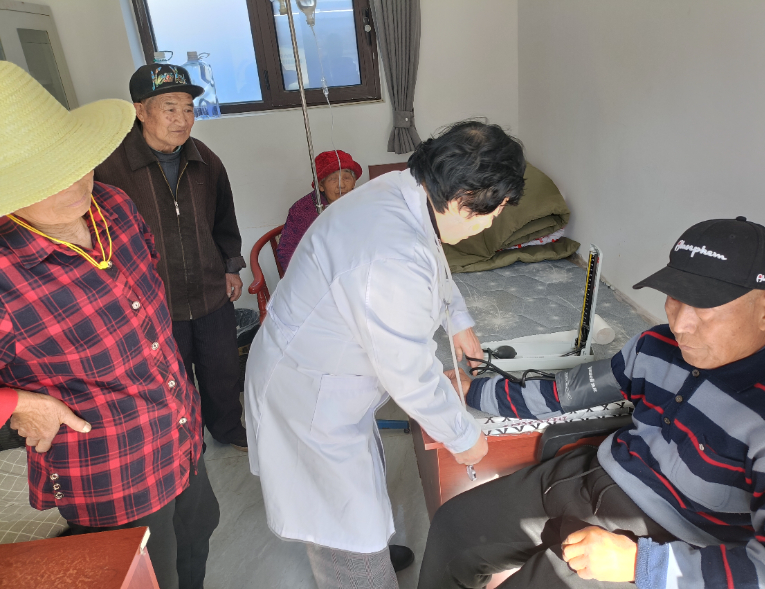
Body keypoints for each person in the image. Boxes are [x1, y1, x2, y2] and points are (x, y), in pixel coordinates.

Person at [418, 217, 765, 589]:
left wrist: (641, 563)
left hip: (674, 541)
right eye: (674, 298)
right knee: (454, 527)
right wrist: (475, 390)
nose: (680, 325)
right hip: (594, 476)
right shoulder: (655, 346)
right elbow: (567, 392)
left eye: (705, 307)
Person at [245, 121, 527, 588]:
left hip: (319, 370)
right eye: (492, 212)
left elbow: (432, 258)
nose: (491, 223)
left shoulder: (406, 191)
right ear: (463, 198)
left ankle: (368, 549)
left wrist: (457, 318)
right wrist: (464, 437)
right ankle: (360, 570)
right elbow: (409, 373)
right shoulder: (391, 252)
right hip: (309, 395)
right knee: (340, 521)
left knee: (354, 500)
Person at [0, 62, 217, 589]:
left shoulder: (114, 206)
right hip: (112, 472)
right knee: (145, 574)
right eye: (46, 176)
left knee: (197, 537)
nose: (76, 183)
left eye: (76, 162)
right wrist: (16, 403)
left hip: (179, 434)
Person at [94, 64, 248, 450]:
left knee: (222, 369)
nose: (182, 119)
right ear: (140, 111)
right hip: (151, 298)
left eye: (188, 109)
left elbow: (224, 218)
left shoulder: (205, 160)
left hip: (209, 289)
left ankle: (228, 429)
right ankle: (186, 442)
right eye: (169, 108)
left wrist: (230, 265)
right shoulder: (108, 167)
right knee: (170, 378)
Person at [275, 149, 362, 271]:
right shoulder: (302, 210)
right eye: (333, 179)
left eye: (347, 178)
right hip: (319, 272)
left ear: (354, 183)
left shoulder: (364, 203)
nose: (341, 185)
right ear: (321, 185)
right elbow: (288, 251)